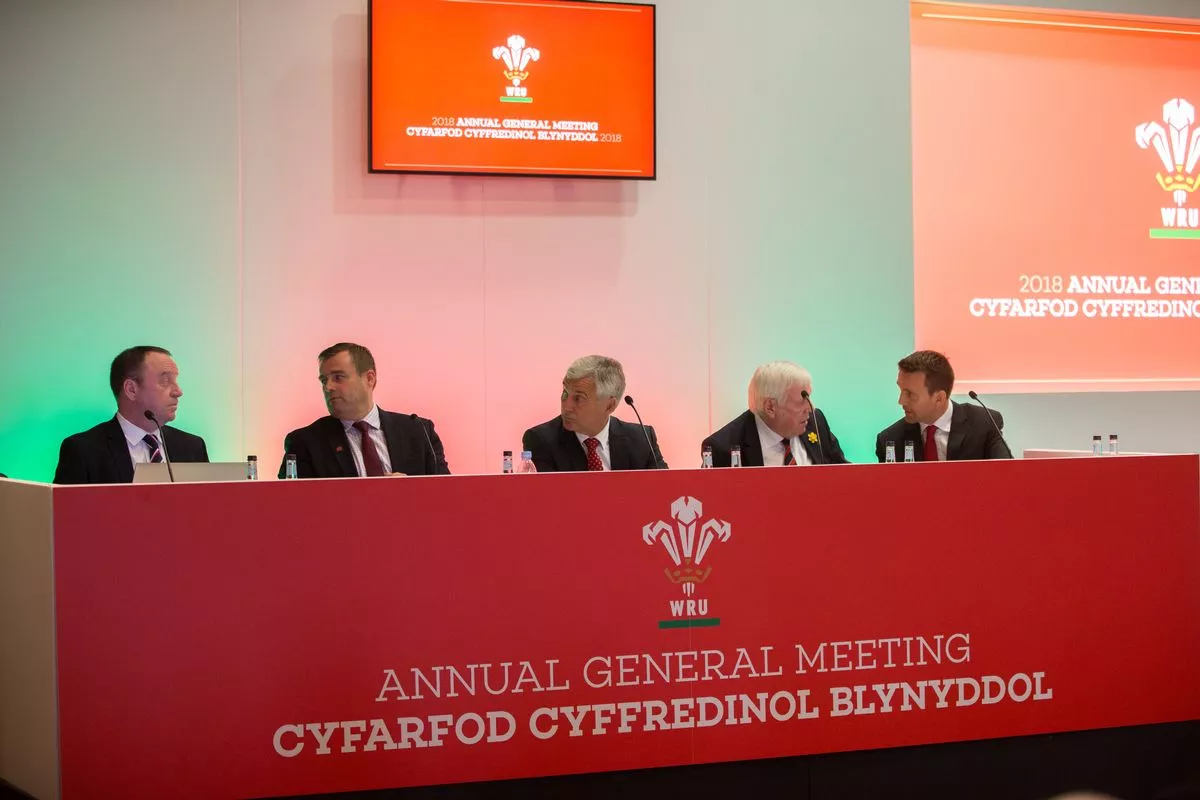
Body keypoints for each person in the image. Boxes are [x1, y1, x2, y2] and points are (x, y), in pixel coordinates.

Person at [279, 342, 449, 478]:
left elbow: (446, 496)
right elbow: (291, 508)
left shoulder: (418, 431)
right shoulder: (305, 443)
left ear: (369, 379)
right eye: (324, 380)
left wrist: (407, 492)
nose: (328, 387)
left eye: (338, 377)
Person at [53, 346, 209, 484]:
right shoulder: (83, 451)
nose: (178, 392)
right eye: (165, 381)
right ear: (131, 389)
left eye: (176, 381)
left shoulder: (192, 448)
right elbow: (67, 515)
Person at [522, 355, 668, 472]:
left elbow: (664, 492)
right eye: (565, 394)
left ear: (609, 405)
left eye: (579, 398)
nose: (567, 406)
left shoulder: (642, 439)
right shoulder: (541, 440)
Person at [702, 361, 849, 467]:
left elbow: (844, 476)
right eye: (802, 400)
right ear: (770, 407)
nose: (810, 408)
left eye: (809, 397)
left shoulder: (816, 422)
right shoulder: (722, 448)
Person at [875, 350, 1012, 462]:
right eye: (901, 391)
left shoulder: (984, 424)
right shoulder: (890, 440)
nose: (901, 401)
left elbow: (1006, 476)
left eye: (910, 394)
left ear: (939, 398)